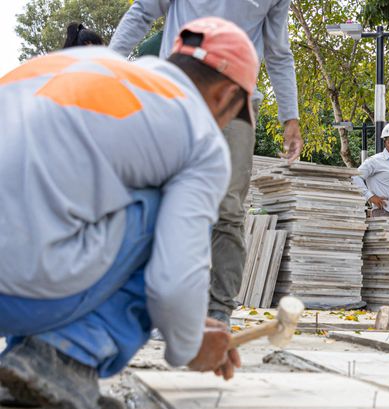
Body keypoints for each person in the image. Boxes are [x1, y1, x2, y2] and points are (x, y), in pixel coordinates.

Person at [0, 18, 258, 409]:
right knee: (158, 208)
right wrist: (190, 342)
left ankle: (25, 365)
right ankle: (66, 356)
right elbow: (174, 282)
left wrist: (188, 321)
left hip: (15, 288)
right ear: (228, 95)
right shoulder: (197, 134)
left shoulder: (84, 65)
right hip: (15, 288)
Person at [110, 0, 303, 325]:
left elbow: (278, 51)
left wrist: (290, 117)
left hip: (236, 102)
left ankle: (217, 312)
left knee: (228, 210)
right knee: (163, 199)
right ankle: (160, 308)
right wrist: (107, 67)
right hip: (178, 93)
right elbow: (143, 12)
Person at [352, 122, 389, 218]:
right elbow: (355, 177)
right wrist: (370, 196)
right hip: (384, 213)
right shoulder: (375, 161)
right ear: (388, 143)